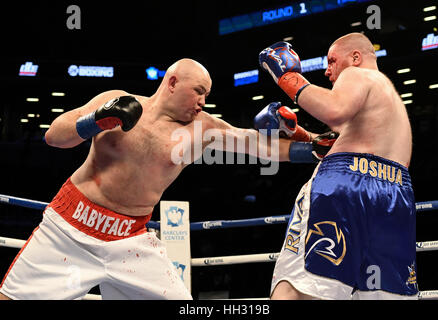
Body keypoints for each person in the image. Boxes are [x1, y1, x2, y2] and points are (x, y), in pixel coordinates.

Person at [0, 58, 332, 300]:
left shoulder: (202, 129)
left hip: (129, 239)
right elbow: (54, 137)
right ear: (172, 82)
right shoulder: (116, 99)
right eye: (198, 91)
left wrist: (311, 150)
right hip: (70, 227)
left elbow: (256, 144)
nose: (203, 102)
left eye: (207, 94)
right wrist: (96, 121)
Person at [257, 33, 418, 300]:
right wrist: (298, 133)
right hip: (394, 197)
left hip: (345, 188)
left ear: (356, 57)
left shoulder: (357, 74)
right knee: (377, 293)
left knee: (300, 289)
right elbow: (344, 141)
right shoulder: (389, 99)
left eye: (332, 61)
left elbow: (335, 110)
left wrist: (288, 77)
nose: (327, 70)